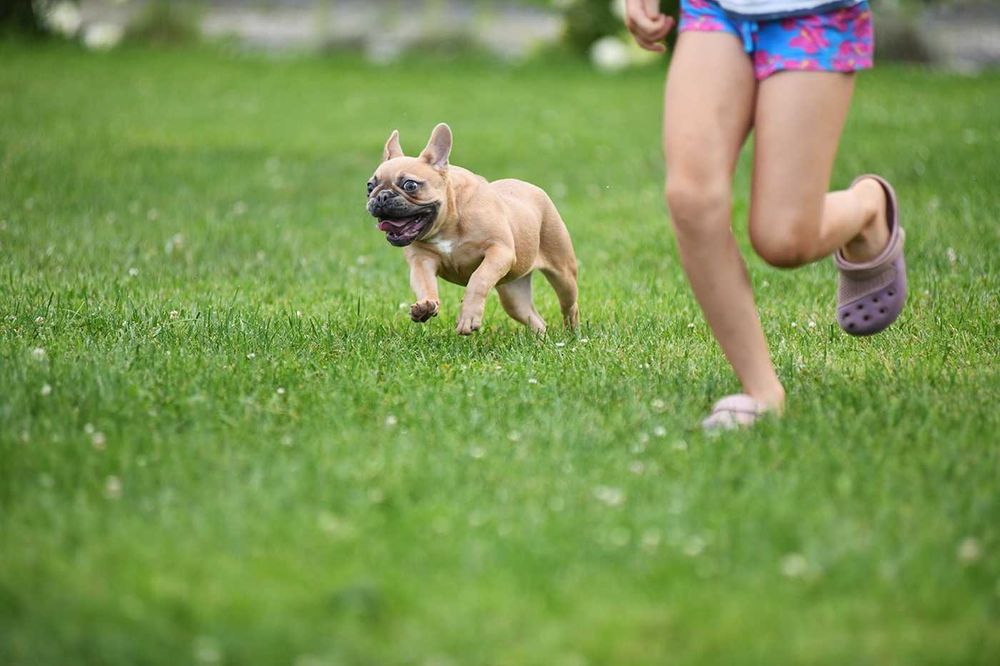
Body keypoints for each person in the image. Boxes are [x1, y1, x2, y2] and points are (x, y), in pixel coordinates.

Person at [623, 0, 908, 429]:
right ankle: (761, 391)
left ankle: (867, 208)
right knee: (691, 198)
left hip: (815, 12)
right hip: (715, 9)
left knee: (783, 241)